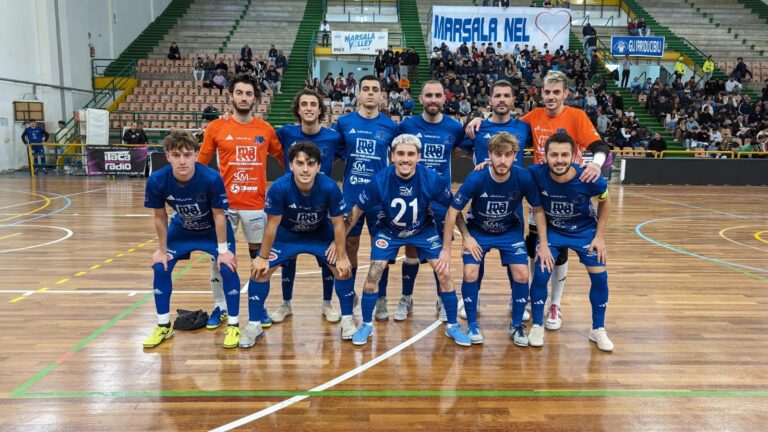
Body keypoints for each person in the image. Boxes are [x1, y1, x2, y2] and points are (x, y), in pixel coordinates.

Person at [466, 70, 609, 331]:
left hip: (569, 190)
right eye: (547, 92)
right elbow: (503, 137)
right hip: (540, 189)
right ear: (540, 93)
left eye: (557, 92)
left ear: (566, 93)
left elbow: (600, 148)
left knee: (560, 249)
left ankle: (555, 303)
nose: (551, 96)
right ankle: (529, 297)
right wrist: (479, 119)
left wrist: (596, 165)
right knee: (536, 246)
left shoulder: (576, 116)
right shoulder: (530, 119)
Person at [344, 134, 471, 347]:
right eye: (400, 154)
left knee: (444, 272)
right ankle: (366, 324)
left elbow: (454, 209)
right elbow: (355, 212)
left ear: (419, 157)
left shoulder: (431, 179)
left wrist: (466, 237)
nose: (405, 159)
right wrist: (336, 242)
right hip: (389, 231)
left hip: (423, 230)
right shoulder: (379, 179)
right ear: (392, 156)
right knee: (373, 273)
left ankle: (452, 326)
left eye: (411, 154)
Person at [440, 132, 552, 345]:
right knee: (470, 272)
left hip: (509, 231)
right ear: (489, 154)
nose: (502, 160)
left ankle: (516, 324)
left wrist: (543, 244)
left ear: (515, 155)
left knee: (521, 274)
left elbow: (537, 209)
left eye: (507, 155)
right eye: (498, 155)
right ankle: (472, 324)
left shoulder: (523, 177)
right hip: (478, 231)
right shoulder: (477, 177)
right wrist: (458, 242)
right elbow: (453, 211)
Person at [243, 142, 356, 347]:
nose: (305, 169)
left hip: (319, 234)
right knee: (258, 272)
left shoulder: (330, 187)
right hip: (288, 235)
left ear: (318, 167)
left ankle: (347, 319)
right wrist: (262, 257)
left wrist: (342, 256)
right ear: (291, 165)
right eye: (300, 163)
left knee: (343, 270)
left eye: (310, 164)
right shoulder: (279, 187)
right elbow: (272, 225)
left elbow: (339, 224)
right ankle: (253, 324)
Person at [198, 74, 285, 331]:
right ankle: (221, 306)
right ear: (231, 95)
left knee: (259, 258)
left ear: (255, 98)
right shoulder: (216, 128)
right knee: (219, 258)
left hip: (256, 206)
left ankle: (259, 306)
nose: (244, 98)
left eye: (249, 94)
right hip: (223, 207)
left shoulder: (265, 130)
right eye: (240, 93)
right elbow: (201, 164)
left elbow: (284, 159)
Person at [142, 130, 241, 348]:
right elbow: (160, 217)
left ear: (197, 154)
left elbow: (219, 215)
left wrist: (223, 250)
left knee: (228, 267)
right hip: (182, 229)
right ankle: (163, 326)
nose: (182, 161)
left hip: (212, 231)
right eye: (176, 155)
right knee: (161, 266)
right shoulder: (158, 180)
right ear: (167, 156)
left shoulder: (211, 178)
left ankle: (234, 324)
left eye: (187, 154)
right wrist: (162, 249)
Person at [527, 133, 613, 351]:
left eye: (564, 155)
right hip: (553, 231)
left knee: (600, 278)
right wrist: (543, 243)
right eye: (554, 155)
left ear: (574, 155)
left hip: (584, 232)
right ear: (544, 157)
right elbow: (535, 206)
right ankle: (537, 325)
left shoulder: (589, 177)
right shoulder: (536, 174)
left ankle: (598, 329)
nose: (559, 160)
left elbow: (605, 201)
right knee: (541, 272)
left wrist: (599, 237)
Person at [271, 90, 345, 324]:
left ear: (320, 110)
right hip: (291, 208)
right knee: (287, 259)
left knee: (327, 258)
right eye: (304, 104)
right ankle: (286, 304)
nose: (309, 108)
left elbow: (344, 154)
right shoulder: (285, 133)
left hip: (321, 208)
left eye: (314, 104)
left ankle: (327, 303)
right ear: (298, 109)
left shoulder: (333, 137)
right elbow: (257, 134)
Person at [395, 80, 465, 322]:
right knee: (411, 249)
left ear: (444, 98)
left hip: (440, 201)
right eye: (428, 95)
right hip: (411, 198)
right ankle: (406, 298)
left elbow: (465, 147)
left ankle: (442, 300)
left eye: (437, 95)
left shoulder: (454, 127)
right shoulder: (407, 124)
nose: (433, 99)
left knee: (441, 253)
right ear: (421, 98)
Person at [334, 75, 399, 319]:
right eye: (366, 89)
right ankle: (350, 294)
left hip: (380, 198)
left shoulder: (391, 126)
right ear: (358, 94)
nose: (370, 93)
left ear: (381, 95)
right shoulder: (344, 123)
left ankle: (381, 297)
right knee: (349, 244)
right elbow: (333, 150)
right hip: (350, 196)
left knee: (380, 246)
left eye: (375, 89)